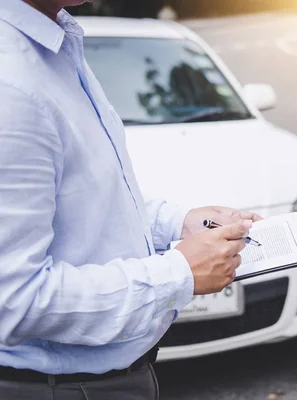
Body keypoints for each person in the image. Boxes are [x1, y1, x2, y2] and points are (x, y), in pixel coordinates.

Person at [0, 0, 260, 398]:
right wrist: (179, 274)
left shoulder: (57, 42)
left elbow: (84, 199)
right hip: (62, 389)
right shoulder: (12, 84)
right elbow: (12, 301)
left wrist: (176, 222)